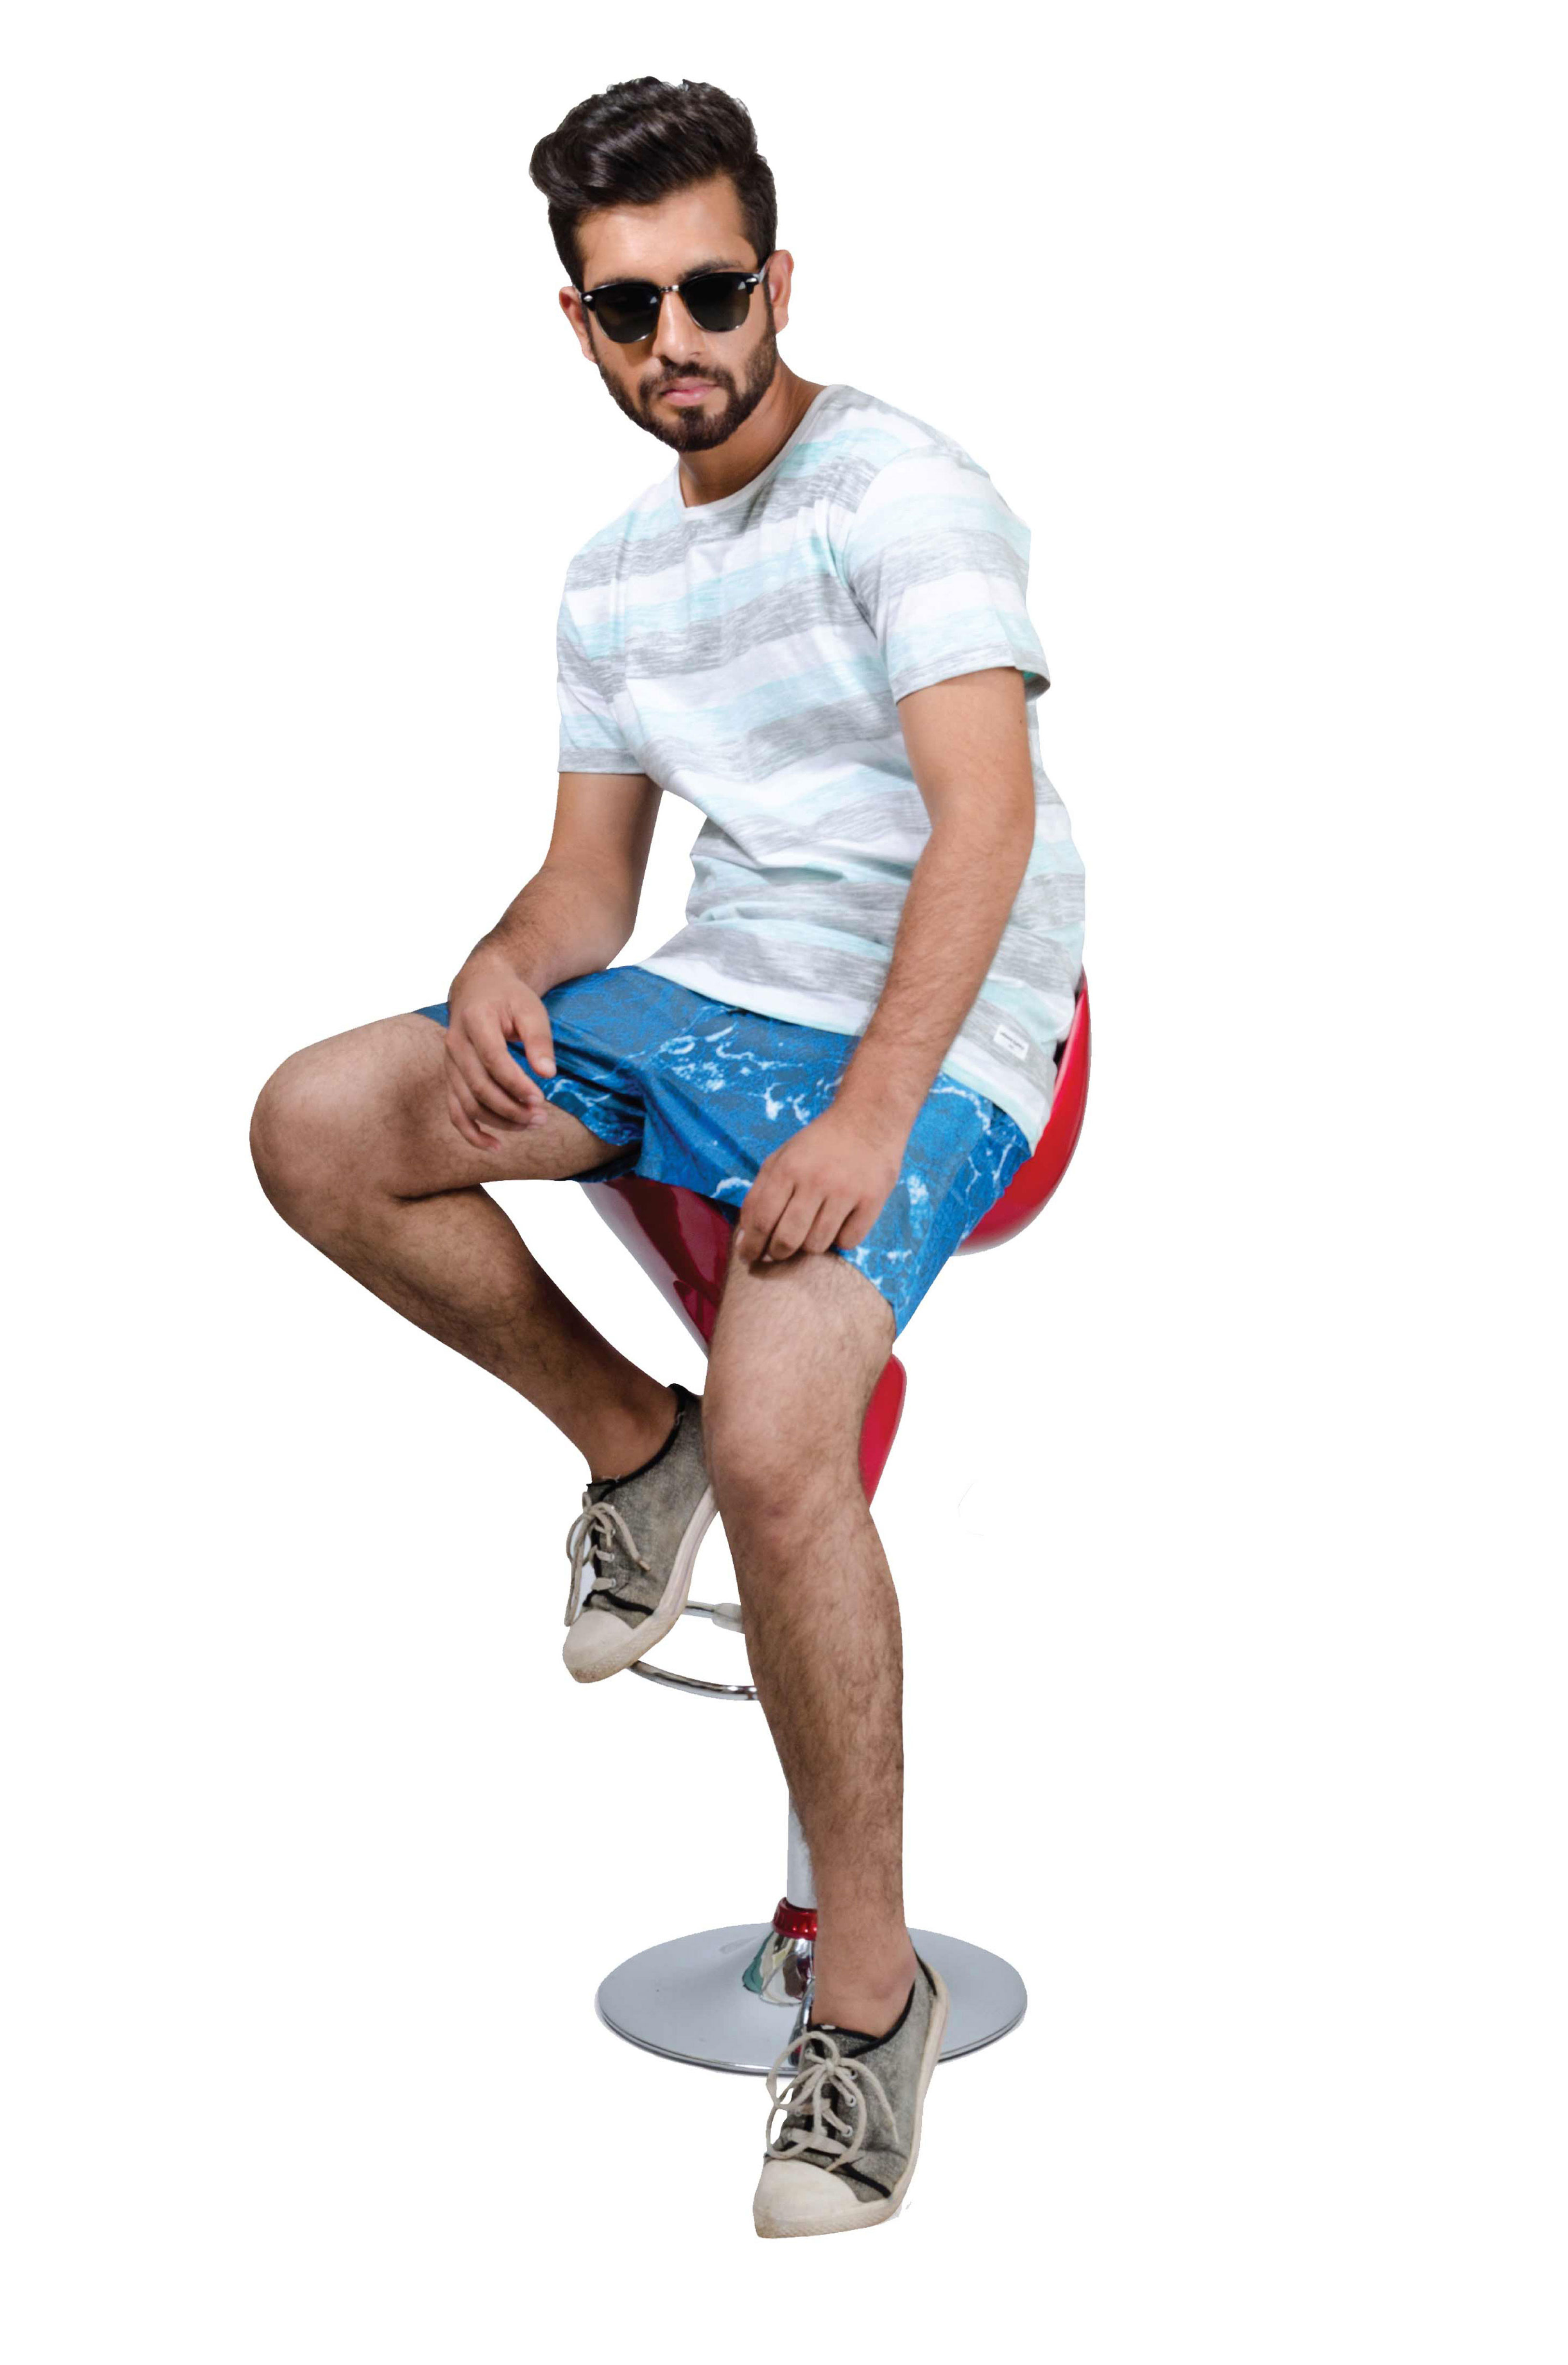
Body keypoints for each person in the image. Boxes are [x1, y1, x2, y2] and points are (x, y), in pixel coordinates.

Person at [250, 74, 1085, 2239]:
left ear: (777, 278)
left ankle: (866, 2005)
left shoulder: (902, 494)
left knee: (796, 1424)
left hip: (942, 1028)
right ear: (581, 322)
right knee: (321, 1120)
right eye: (631, 309)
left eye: (713, 291)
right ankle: (641, 1445)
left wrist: (870, 1111)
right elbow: (587, 892)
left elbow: (984, 826)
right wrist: (502, 963)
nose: (678, 340)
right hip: (714, 996)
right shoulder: (615, 573)